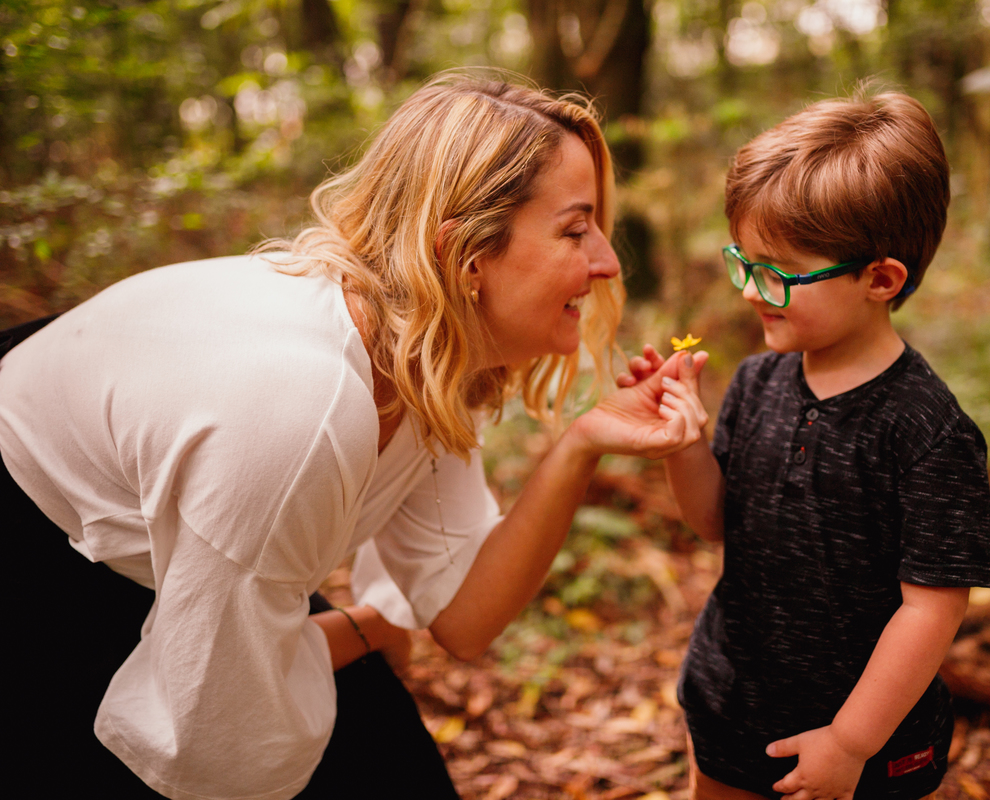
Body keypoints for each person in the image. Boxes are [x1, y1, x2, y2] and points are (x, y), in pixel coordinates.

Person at [0, 75, 706, 800]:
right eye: (575, 230)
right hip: (31, 538)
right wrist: (365, 632)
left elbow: (465, 616)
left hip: (168, 548)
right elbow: (211, 741)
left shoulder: (423, 353)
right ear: (466, 255)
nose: (607, 262)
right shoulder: (296, 408)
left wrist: (580, 445)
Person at [628, 90, 990, 800]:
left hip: (866, 739)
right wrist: (682, 444)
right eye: (743, 261)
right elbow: (716, 523)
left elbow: (933, 609)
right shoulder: (757, 382)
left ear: (879, 279)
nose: (749, 291)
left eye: (777, 273)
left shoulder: (927, 431)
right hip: (732, 700)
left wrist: (850, 741)